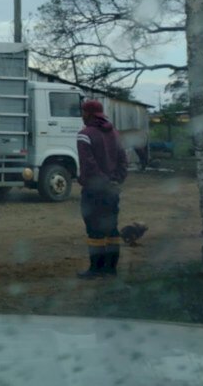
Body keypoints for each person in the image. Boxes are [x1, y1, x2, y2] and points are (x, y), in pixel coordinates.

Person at [76, 99, 129, 279]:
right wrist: (116, 180)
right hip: (113, 190)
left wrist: (103, 182)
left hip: (95, 190)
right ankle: (111, 268)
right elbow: (123, 160)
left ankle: (96, 269)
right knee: (112, 229)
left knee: (94, 229)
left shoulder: (85, 134)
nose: (82, 115)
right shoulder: (114, 133)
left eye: (83, 112)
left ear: (89, 114)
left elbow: (89, 165)